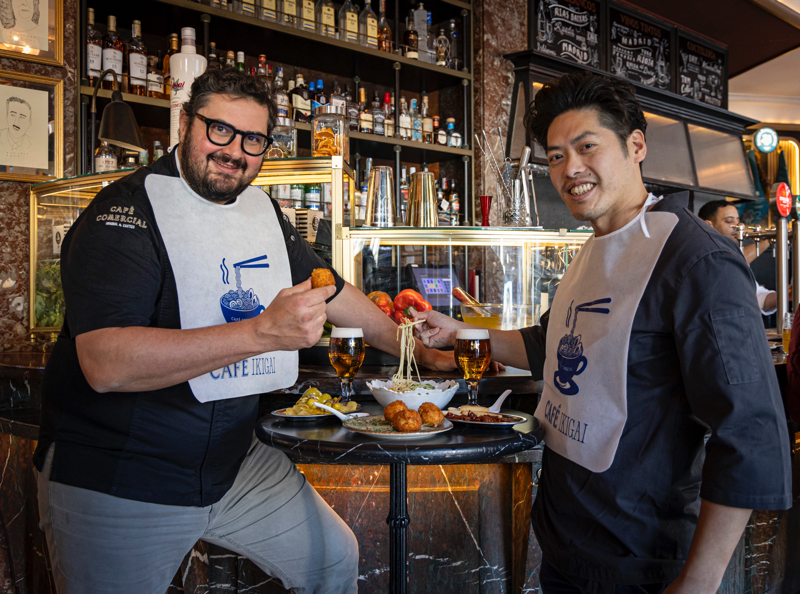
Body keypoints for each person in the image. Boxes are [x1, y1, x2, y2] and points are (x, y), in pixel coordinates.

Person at [32, 67, 453, 594]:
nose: (234, 151)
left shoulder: (261, 211)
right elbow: (105, 363)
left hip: (235, 464)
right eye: (219, 130)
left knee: (334, 561)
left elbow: (331, 287)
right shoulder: (121, 215)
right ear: (185, 124)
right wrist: (259, 333)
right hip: (122, 473)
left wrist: (412, 347)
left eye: (253, 139)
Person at [413, 71, 791, 593]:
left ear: (636, 145)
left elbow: (749, 434)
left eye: (586, 146)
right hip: (567, 542)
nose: (570, 169)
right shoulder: (591, 249)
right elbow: (548, 346)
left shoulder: (696, 259)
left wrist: (698, 584)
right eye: (556, 156)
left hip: (641, 557)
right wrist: (460, 332)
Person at [698, 199, 777, 315]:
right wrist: (769, 239)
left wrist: (786, 295)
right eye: (729, 221)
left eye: (738, 220)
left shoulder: (734, 252)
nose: (738, 226)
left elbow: (757, 296)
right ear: (708, 225)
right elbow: (731, 263)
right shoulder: (701, 253)